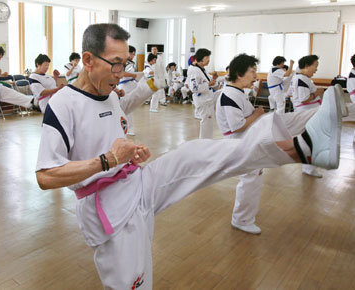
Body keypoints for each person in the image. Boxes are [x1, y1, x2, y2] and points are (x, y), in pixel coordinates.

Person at [35, 23, 342, 290]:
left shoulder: (111, 95)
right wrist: (107, 160)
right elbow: (45, 176)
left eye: (125, 63)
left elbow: (114, 141)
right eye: (115, 64)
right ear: (87, 60)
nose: (121, 73)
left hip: (136, 181)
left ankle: (302, 148)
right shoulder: (63, 105)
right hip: (105, 204)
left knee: (198, 153)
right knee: (133, 281)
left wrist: (130, 154)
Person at [216, 54, 266, 234]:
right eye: (252, 72)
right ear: (239, 74)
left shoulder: (237, 92)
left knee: (254, 177)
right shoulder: (230, 94)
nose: (255, 76)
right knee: (251, 178)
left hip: (246, 140)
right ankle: (242, 219)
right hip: (237, 142)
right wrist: (257, 114)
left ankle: (244, 216)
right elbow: (236, 126)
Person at [291, 55, 325, 178]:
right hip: (306, 113)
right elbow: (304, 98)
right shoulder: (301, 79)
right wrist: (318, 92)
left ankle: (309, 167)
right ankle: (309, 168)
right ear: (306, 66)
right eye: (315, 66)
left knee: (310, 141)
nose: (316, 69)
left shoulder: (302, 78)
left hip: (308, 113)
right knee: (310, 141)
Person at [186, 48, 218, 138]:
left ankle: (207, 142)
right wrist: (208, 85)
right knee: (206, 124)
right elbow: (194, 88)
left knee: (209, 125)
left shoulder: (202, 69)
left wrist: (214, 79)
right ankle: (203, 144)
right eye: (207, 57)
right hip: (202, 101)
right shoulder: (194, 70)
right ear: (201, 58)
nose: (208, 60)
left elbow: (209, 82)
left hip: (208, 100)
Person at [118, 45, 139, 135]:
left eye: (134, 54)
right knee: (126, 108)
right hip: (124, 86)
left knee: (127, 108)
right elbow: (122, 74)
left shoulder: (130, 63)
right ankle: (128, 129)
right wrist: (134, 75)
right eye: (132, 53)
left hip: (129, 85)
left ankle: (127, 128)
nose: (133, 56)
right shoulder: (123, 62)